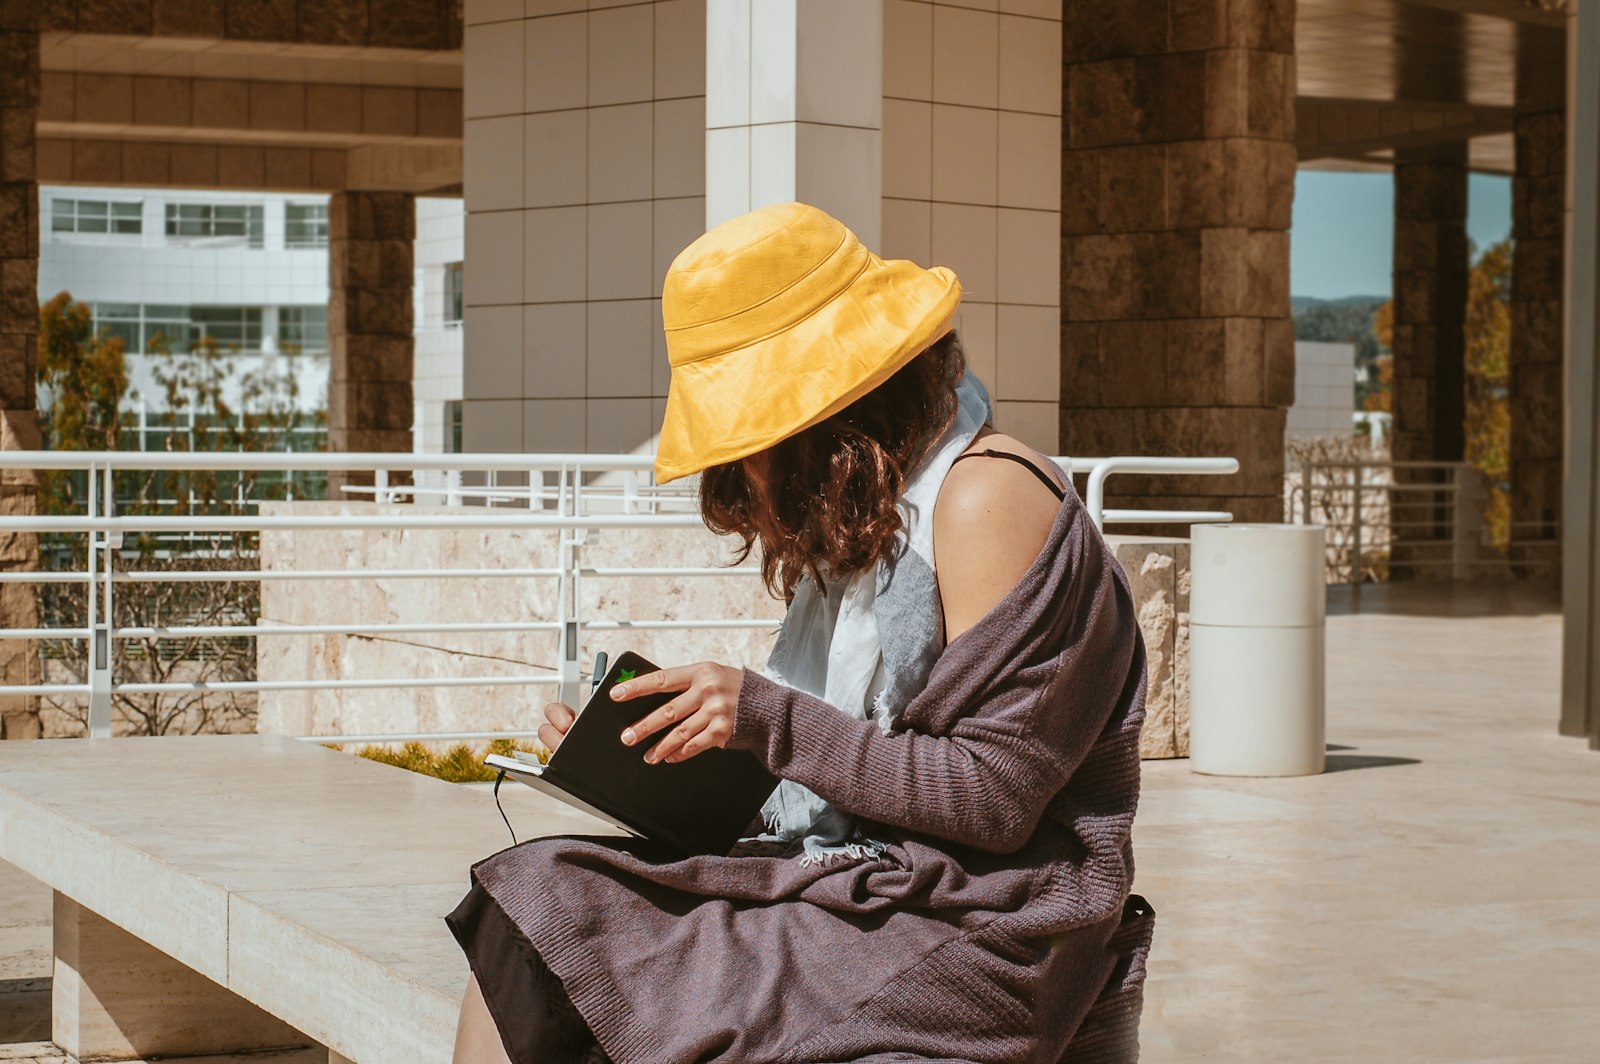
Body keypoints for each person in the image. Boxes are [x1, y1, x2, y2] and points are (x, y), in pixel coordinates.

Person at [448, 201, 1155, 1064]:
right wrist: (654, 746)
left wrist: (763, 716)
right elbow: (843, 767)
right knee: (538, 898)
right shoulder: (881, 517)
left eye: (752, 434)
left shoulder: (986, 500)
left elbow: (993, 799)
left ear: (836, 417)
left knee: (555, 927)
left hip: (982, 928)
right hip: (875, 887)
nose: (740, 471)